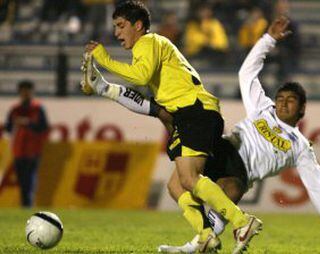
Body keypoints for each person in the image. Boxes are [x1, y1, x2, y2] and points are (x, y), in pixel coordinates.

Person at [81, 15, 320, 252]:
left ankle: (203, 240)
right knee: (177, 182)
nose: (283, 102)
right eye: (281, 96)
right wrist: (267, 40)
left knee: (193, 183)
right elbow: (246, 73)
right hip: (223, 147)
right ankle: (218, 233)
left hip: (240, 173)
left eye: (291, 101)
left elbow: (317, 186)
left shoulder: (300, 147)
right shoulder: (264, 108)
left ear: (302, 111)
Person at [83, 1, 259, 253]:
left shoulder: (149, 42)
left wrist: (104, 59)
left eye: (121, 26)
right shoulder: (153, 51)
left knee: (189, 178)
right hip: (191, 114)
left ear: (139, 25)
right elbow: (147, 102)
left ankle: (242, 222)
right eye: (115, 27)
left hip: (195, 111)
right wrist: (102, 86)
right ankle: (206, 235)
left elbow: (140, 77)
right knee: (176, 186)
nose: (116, 33)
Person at [4, 80, 49, 207]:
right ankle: (25, 205)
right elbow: (8, 128)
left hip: (33, 150)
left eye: (28, 91)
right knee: (22, 180)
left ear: (31, 92)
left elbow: (43, 127)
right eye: (23, 91)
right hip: (18, 150)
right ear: (20, 93)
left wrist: (27, 123)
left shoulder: (37, 108)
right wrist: (14, 124)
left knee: (30, 179)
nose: (26, 93)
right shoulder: (15, 109)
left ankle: (28, 205)